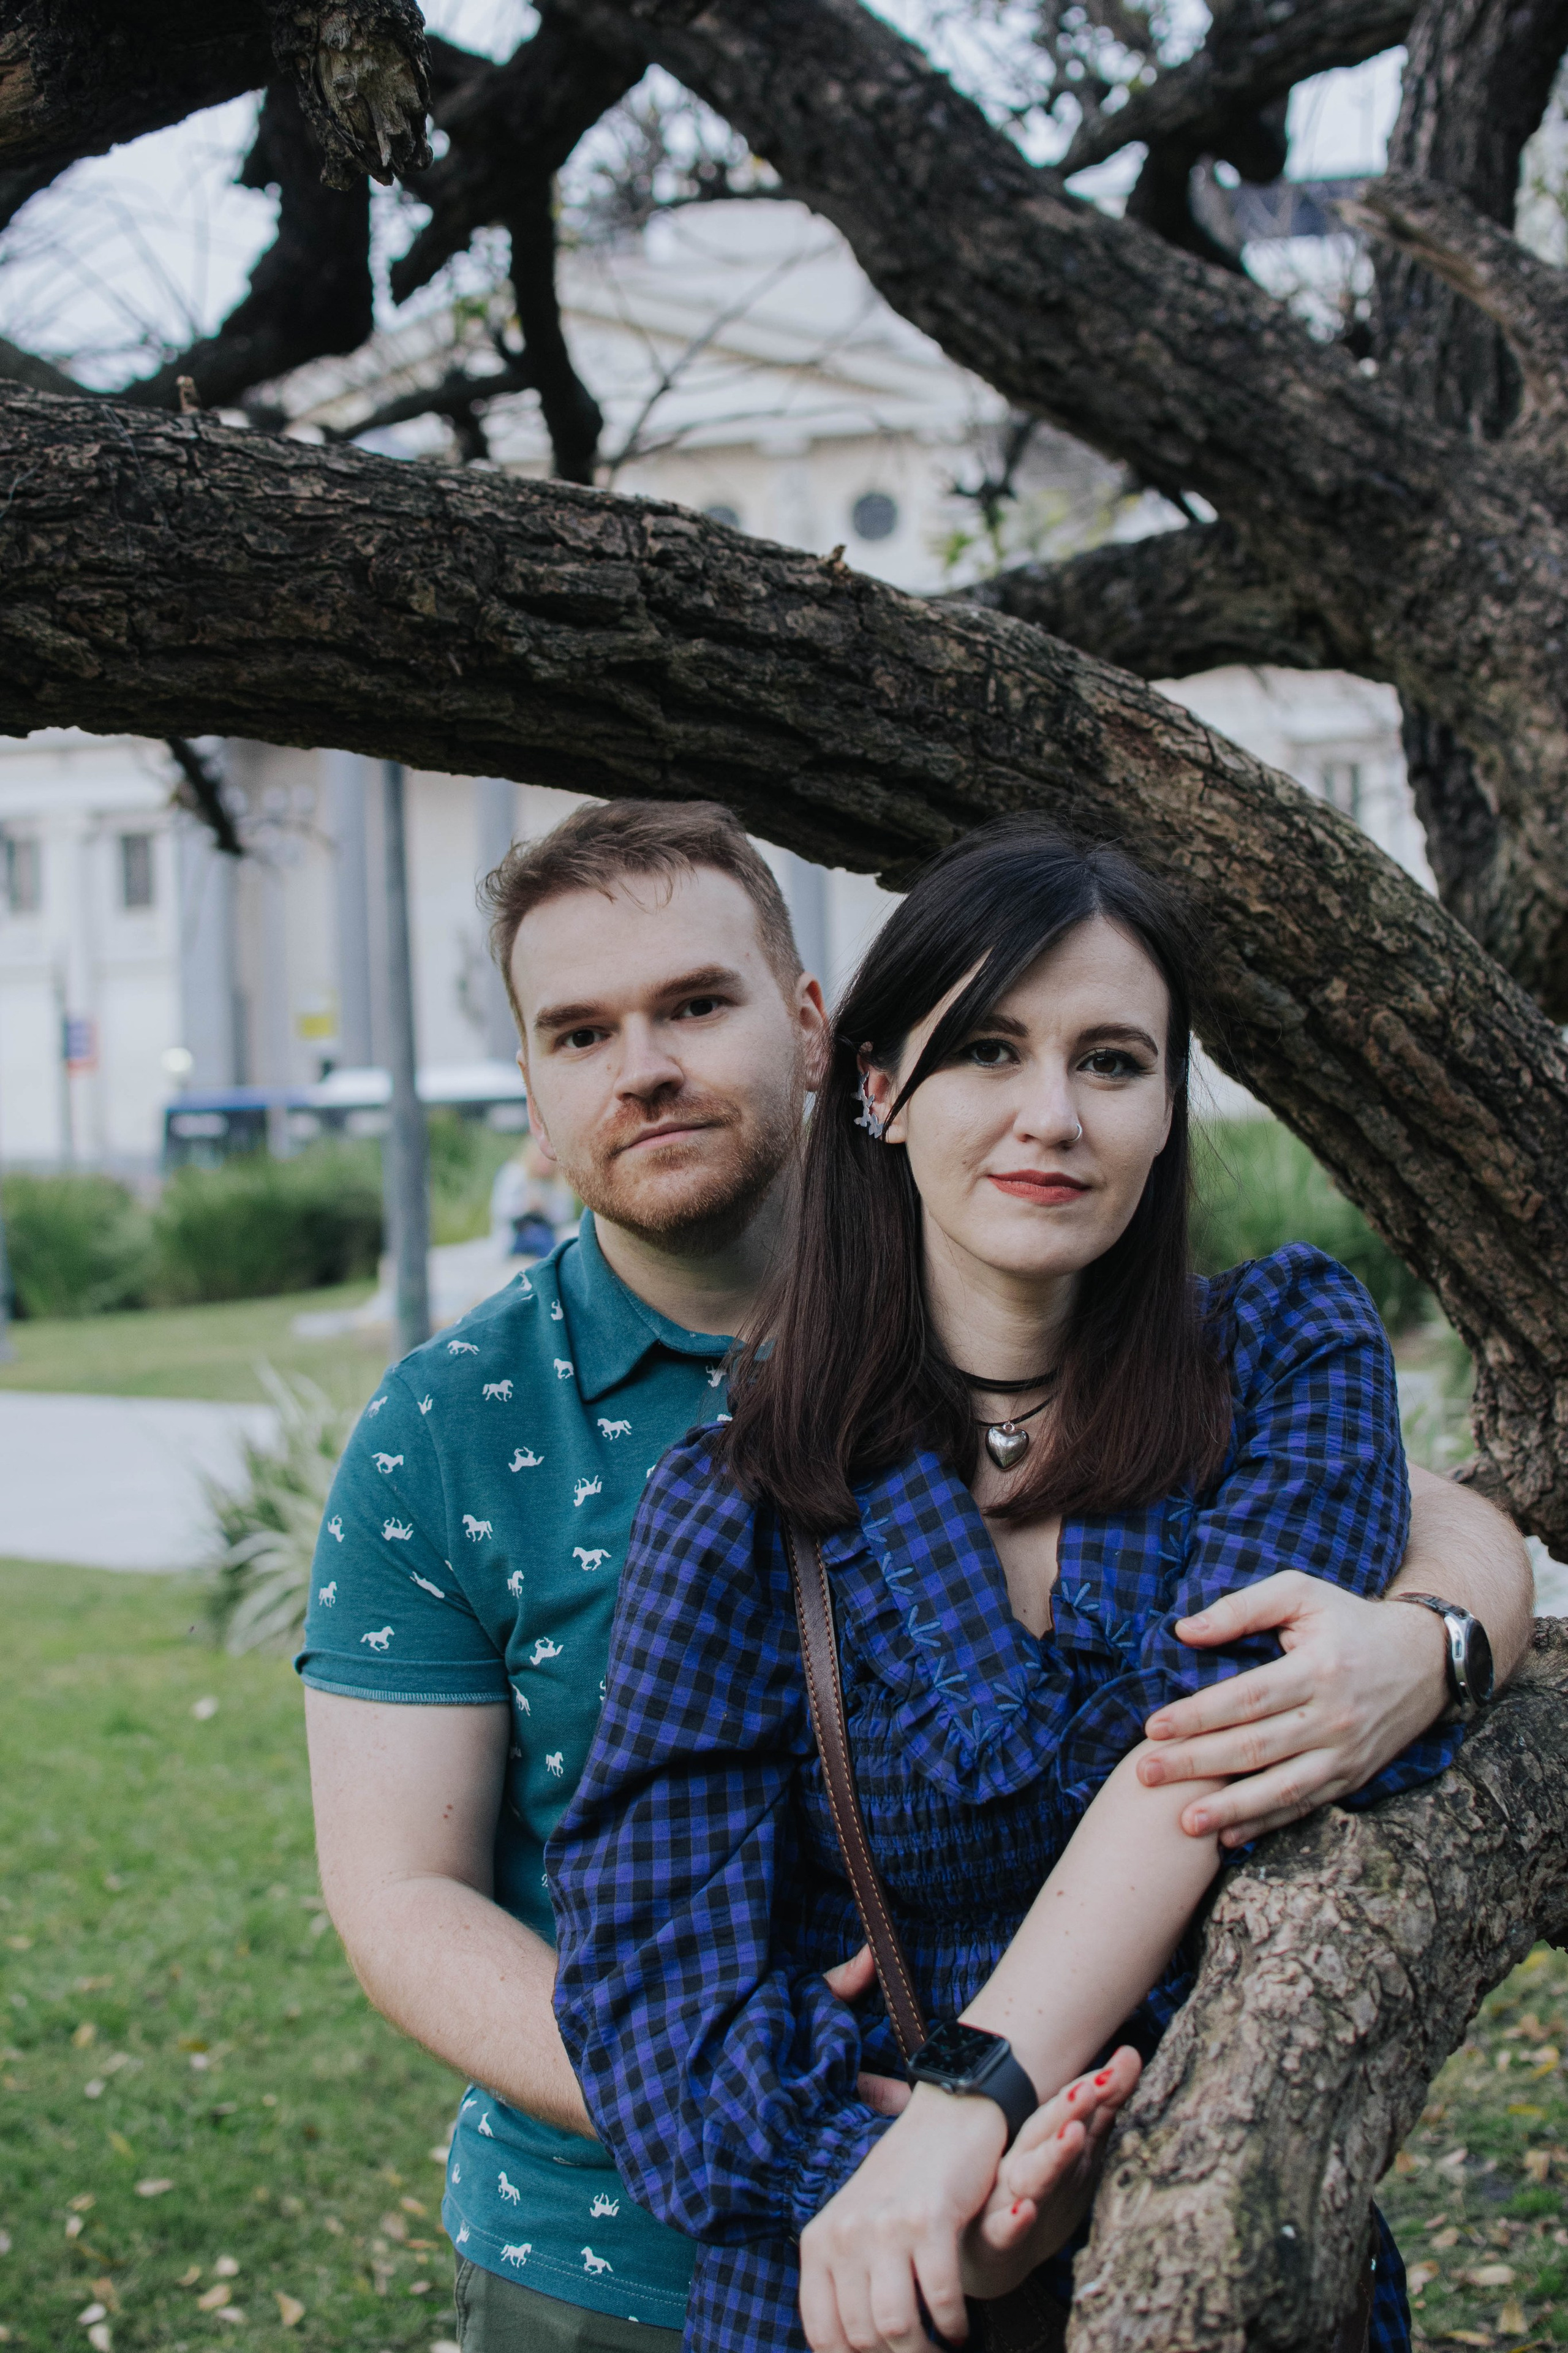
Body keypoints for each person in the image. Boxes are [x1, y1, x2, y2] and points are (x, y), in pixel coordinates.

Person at [298, 801, 1529, 2353]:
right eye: (580, 1031)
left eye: (695, 1004)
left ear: (823, 1042)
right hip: (694, 2232)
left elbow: (1379, 1548)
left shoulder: (1258, 1359)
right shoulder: (575, 1452)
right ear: (888, 1088)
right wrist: (880, 2161)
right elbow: (443, 1904)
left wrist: (1436, 1639)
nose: (1046, 1116)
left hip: (1182, 2208)